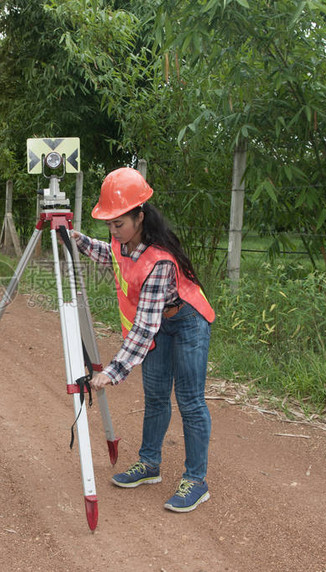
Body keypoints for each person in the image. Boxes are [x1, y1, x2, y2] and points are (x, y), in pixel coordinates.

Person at [72, 167, 215, 513]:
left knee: (190, 400)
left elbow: (143, 327)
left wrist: (113, 371)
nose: (112, 231)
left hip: (186, 322)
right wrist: (76, 239)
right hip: (158, 325)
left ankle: (196, 480)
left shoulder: (160, 261)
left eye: (118, 223)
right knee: (155, 396)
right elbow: (111, 255)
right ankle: (149, 464)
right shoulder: (124, 243)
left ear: (139, 216)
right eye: (108, 224)